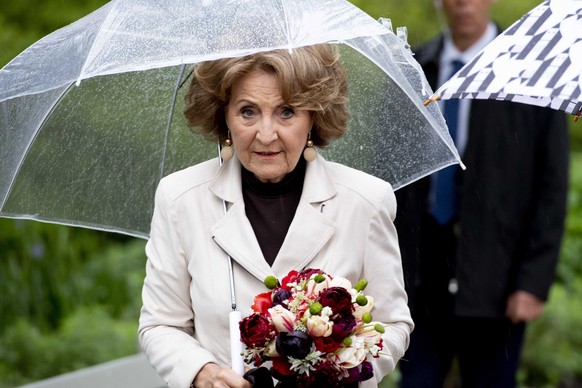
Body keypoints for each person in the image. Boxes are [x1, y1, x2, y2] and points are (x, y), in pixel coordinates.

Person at [138, 44, 413, 388]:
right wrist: (203, 374)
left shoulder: (366, 201)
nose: (266, 134)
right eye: (248, 112)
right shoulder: (180, 198)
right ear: (224, 116)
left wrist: (339, 367)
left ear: (314, 116)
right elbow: (160, 324)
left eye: (286, 111)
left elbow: (392, 325)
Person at [396, 0, 570, 387]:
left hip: (498, 275)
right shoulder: (414, 67)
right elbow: (395, 169)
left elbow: (552, 187)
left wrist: (532, 282)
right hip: (421, 275)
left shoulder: (530, 74)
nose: (463, 4)